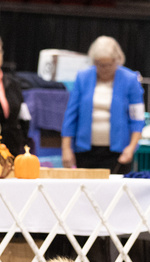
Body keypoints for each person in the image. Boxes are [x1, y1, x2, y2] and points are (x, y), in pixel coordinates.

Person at [61, 36, 145, 174]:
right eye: (99, 64)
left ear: (117, 60)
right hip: (85, 151)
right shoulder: (83, 77)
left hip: (118, 153)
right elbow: (71, 115)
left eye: (109, 64)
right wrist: (66, 148)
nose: (104, 69)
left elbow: (137, 118)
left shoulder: (130, 80)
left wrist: (131, 147)